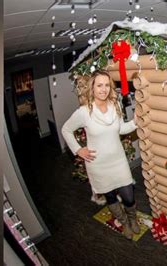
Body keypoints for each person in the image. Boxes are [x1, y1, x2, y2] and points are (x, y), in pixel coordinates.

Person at [62, 70, 139, 240]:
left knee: (128, 195)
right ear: (93, 88)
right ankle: (124, 222)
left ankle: (133, 218)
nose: (103, 89)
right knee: (110, 196)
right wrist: (78, 149)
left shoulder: (115, 106)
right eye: (99, 85)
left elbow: (121, 129)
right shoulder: (84, 112)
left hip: (118, 161)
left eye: (106, 85)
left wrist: (134, 123)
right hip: (98, 165)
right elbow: (66, 129)